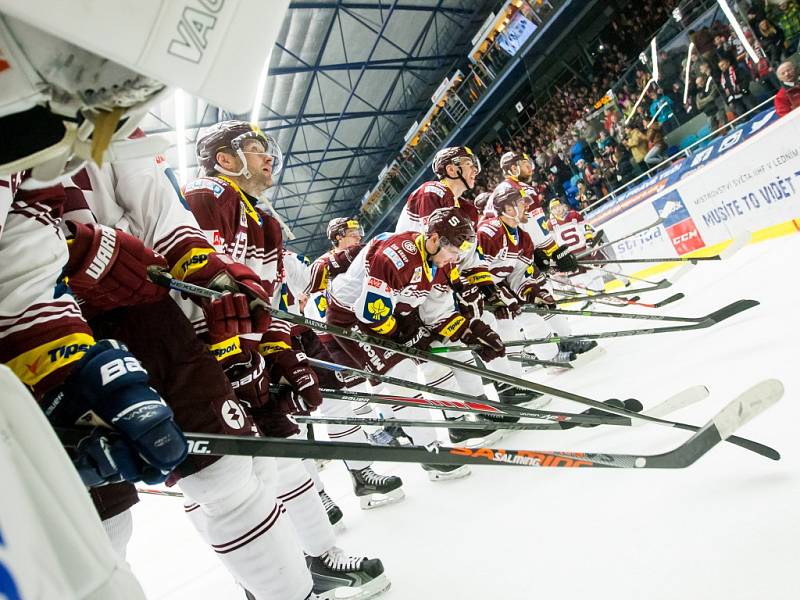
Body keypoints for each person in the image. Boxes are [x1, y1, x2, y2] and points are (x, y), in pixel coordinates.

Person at [183, 121, 391, 598]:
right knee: (226, 477)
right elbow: (198, 289)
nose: (267, 157)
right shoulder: (205, 197)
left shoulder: (267, 222)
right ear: (226, 160)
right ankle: (259, 580)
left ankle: (318, 556)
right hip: (203, 359)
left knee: (286, 455)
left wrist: (278, 350)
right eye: (255, 150)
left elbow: (271, 303)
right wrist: (230, 351)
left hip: (245, 352)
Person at [328, 207, 506, 478]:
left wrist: (471, 333)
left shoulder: (442, 261)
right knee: (401, 373)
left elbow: (439, 314)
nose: (453, 259)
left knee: (441, 355)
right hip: (351, 316)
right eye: (452, 251)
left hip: (394, 314)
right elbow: (370, 315)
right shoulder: (396, 256)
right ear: (433, 239)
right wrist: (406, 336)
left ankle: (458, 423)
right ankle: (428, 450)